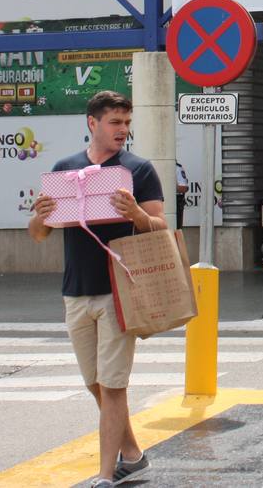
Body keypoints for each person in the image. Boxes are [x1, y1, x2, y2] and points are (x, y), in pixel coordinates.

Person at [27, 90, 165, 488]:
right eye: (115, 122)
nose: (124, 130)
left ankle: (106, 475)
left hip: (120, 291)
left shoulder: (139, 170)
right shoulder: (64, 168)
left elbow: (160, 226)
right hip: (76, 290)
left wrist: (137, 214)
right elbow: (39, 234)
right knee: (94, 382)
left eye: (127, 122)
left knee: (113, 385)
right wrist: (39, 217)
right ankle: (134, 455)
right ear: (93, 123)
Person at [174, 160, 190, 231]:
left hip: (175, 203)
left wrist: (168, 187)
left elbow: (184, 188)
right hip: (158, 203)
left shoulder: (177, 168)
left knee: (176, 231)